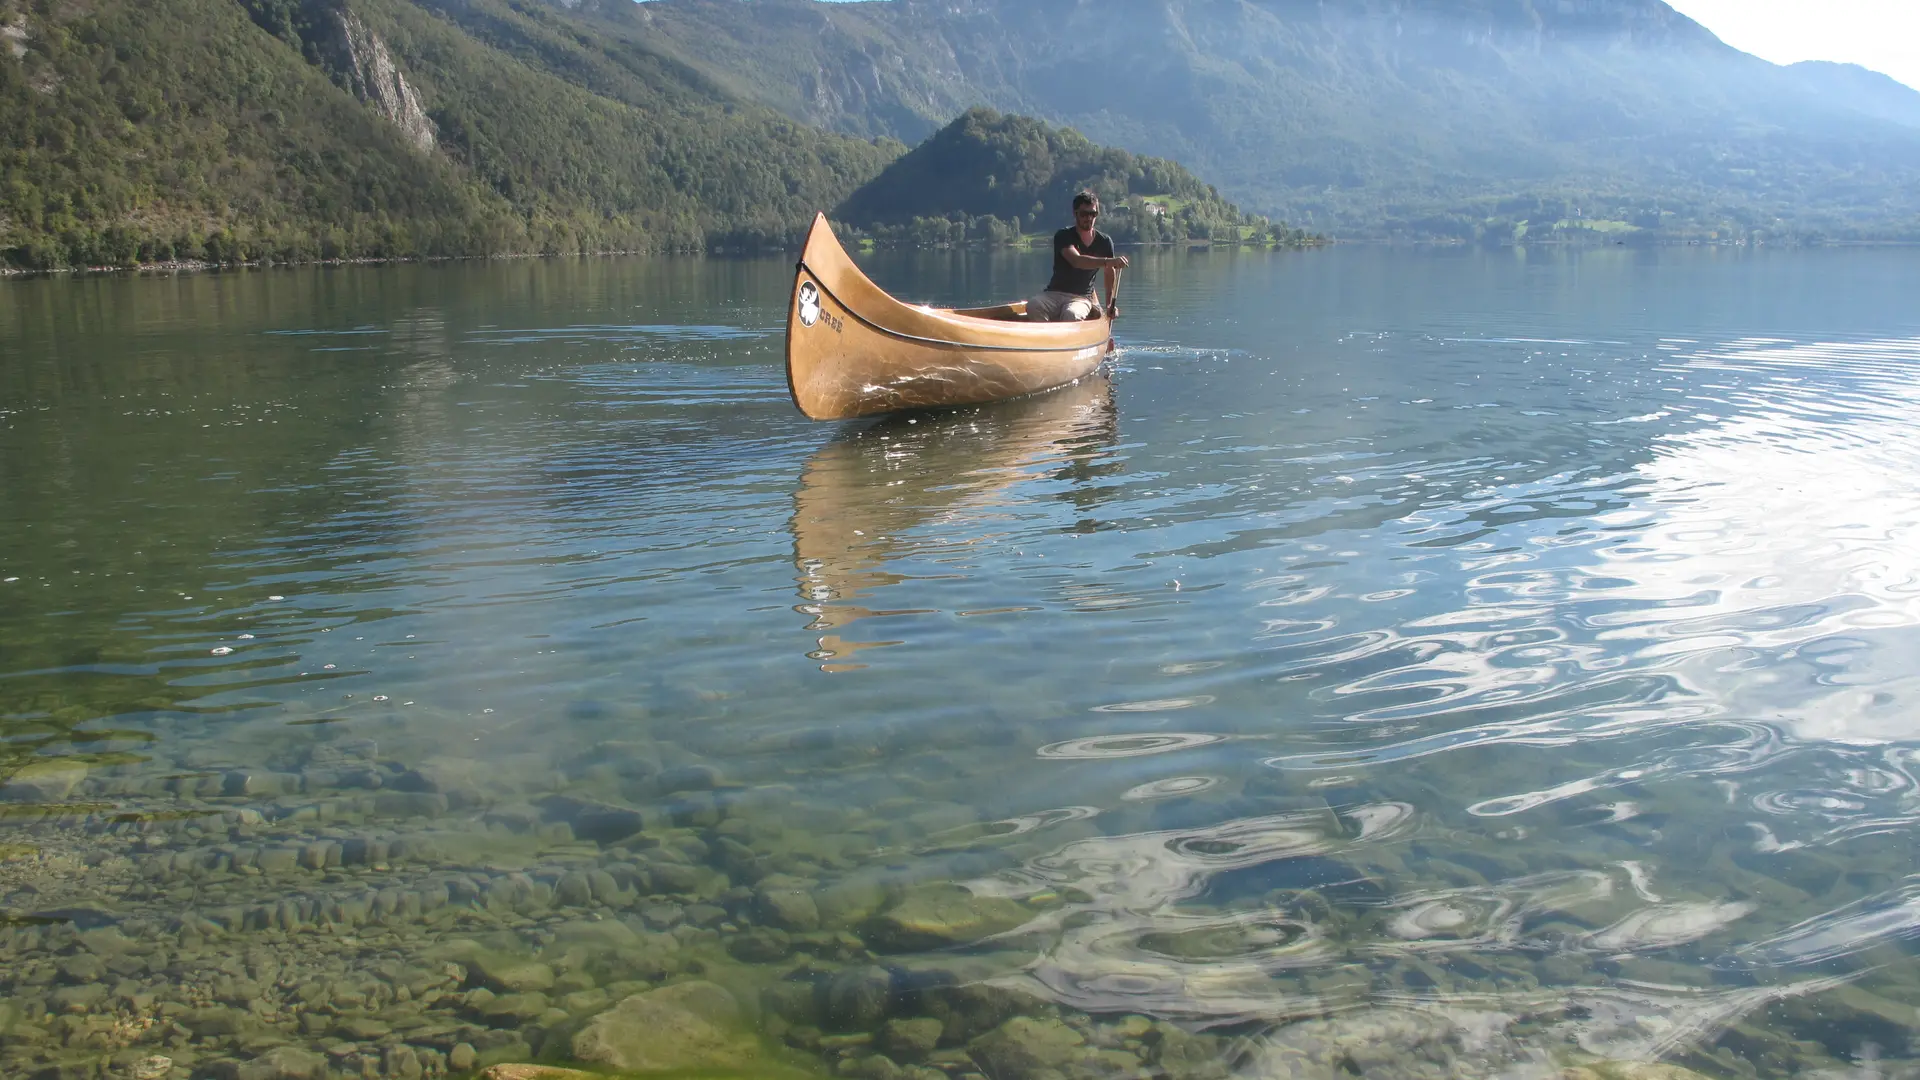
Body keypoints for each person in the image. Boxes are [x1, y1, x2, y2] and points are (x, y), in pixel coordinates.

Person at [1027, 192, 1129, 322]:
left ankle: (1062, 337)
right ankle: (1048, 337)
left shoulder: (1105, 242)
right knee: (1033, 306)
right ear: (1075, 214)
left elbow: (1109, 272)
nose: (1089, 218)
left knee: (1071, 314)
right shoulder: (1063, 236)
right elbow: (1076, 260)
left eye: (1093, 214)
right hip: (1053, 294)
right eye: (1084, 214)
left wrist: (1109, 305)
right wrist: (1109, 261)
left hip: (1081, 298)